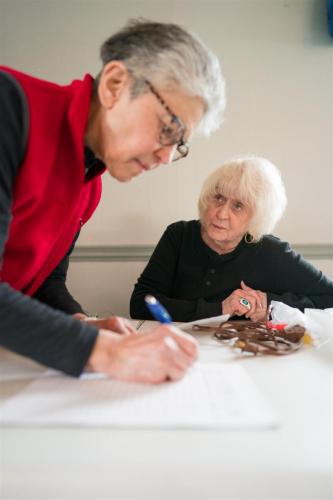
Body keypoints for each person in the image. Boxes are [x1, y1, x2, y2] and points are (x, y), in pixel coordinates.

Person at [0, 19, 225, 383]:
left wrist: (81, 322)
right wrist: (100, 349)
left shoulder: (90, 184)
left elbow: (43, 283)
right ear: (114, 84)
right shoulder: (9, 106)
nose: (167, 157)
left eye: (179, 143)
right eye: (168, 129)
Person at [130, 156, 333, 322]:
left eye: (238, 206)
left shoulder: (271, 251)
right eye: (218, 198)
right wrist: (221, 308)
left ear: (257, 216)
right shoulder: (179, 235)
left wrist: (269, 305)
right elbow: (140, 304)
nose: (221, 213)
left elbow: (329, 298)